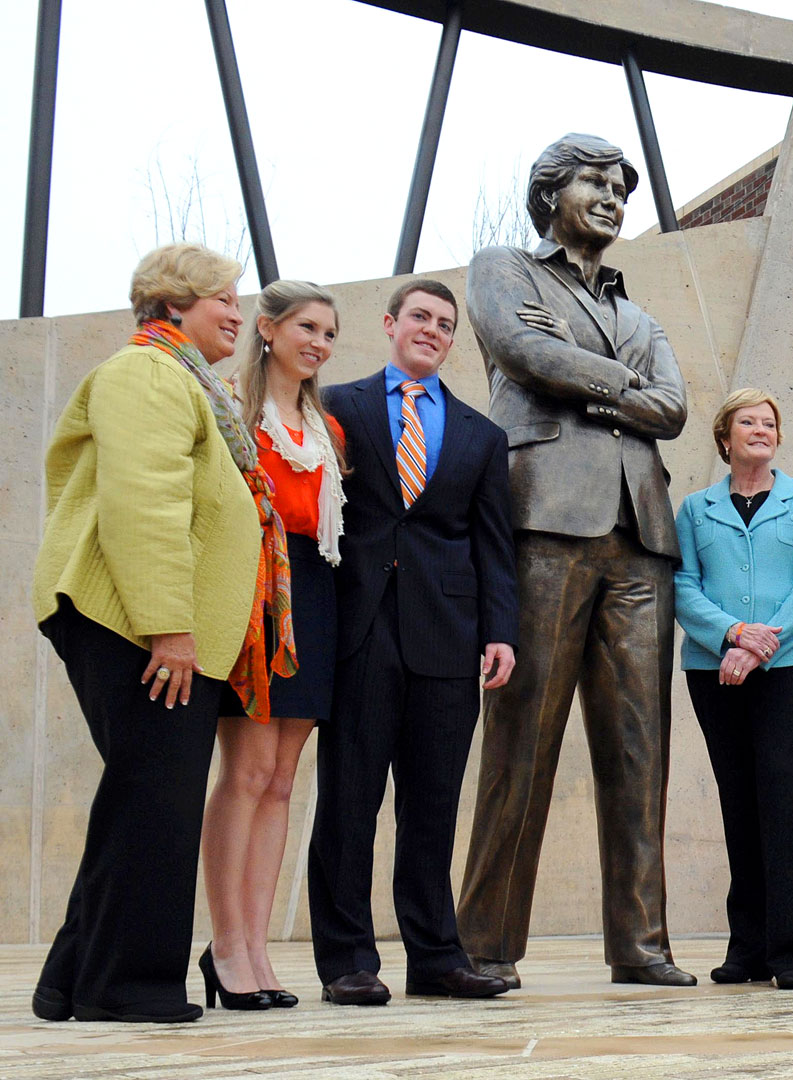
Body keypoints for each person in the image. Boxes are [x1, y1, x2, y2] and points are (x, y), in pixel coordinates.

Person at [459, 134, 693, 990]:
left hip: (643, 539)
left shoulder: (643, 316)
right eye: (593, 181)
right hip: (545, 522)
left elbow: (674, 410)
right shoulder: (506, 269)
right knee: (522, 741)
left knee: (641, 750)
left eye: (620, 187)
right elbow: (529, 356)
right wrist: (626, 391)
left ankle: (641, 941)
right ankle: (485, 942)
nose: (610, 197)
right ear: (549, 193)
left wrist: (596, 386)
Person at [31, 245, 264, 1024]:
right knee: (157, 801)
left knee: (141, 796)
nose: (239, 311)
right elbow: (145, 503)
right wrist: (170, 628)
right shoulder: (147, 374)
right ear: (172, 302)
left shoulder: (186, 380)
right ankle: (127, 986)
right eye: (222, 297)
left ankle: (71, 978)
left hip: (149, 622)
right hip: (137, 623)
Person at [309, 279, 517, 1006]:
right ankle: (346, 961)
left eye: (445, 323)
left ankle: (436, 958)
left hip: (447, 638)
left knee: (432, 806)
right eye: (419, 317)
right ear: (391, 324)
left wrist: (501, 633)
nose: (432, 329)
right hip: (359, 633)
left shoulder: (482, 437)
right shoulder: (336, 407)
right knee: (348, 804)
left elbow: (494, 545)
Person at [200, 280, 348, 1011]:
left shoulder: (328, 428)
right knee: (248, 772)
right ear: (267, 328)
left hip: (313, 596)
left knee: (285, 780)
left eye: (328, 334)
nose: (318, 344)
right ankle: (225, 945)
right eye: (307, 327)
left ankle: (256, 946)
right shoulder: (229, 407)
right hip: (255, 595)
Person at [671, 389, 793, 990]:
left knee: (782, 803)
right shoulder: (694, 508)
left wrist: (762, 643)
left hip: (788, 668)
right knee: (737, 803)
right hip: (712, 670)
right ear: (724, 437)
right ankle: (749, 947)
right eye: (748, 422)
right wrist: (732, 635)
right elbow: (684, 584)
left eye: (769, 423)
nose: (760, 430)